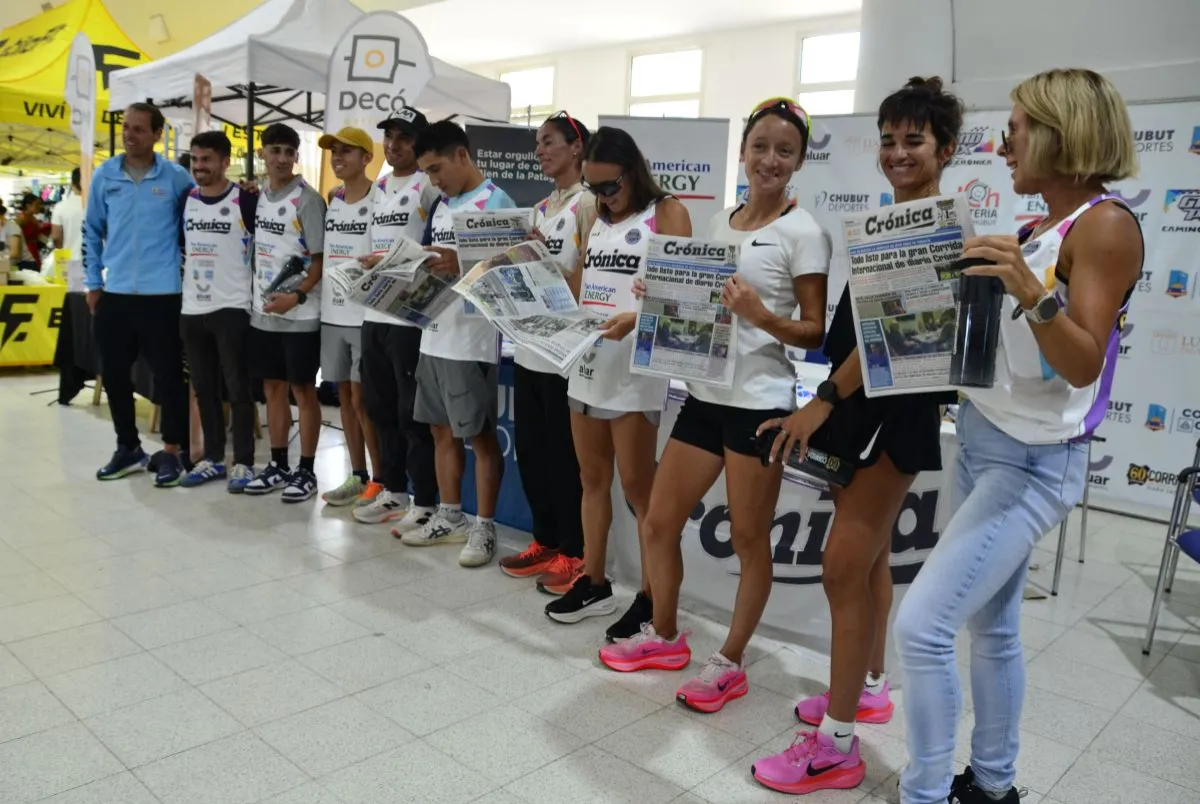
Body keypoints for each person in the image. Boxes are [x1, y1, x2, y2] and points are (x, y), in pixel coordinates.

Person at [889, 68, 1141, 804]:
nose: (1005, 146)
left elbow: (1083, 360)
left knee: (923, 628)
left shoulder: (1105, 225)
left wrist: (1029, 292)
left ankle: (925, 794)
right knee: (993, 631)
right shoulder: (1038, 230)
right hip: (983, 435)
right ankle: (994, 785)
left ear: (1064, 133)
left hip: (1032, 462)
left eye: (1018, 130)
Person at [748, 77, 965, 797]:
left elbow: (892, 338)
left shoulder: (931, 227)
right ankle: (868, 688)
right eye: (890, 140)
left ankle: (837, 747)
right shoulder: (891, 219)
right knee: (866, 563)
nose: (899, 153)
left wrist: (824, 400)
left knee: (843, 569)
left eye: (915, 141)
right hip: (862, 413)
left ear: (946, 149)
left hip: (890, 417)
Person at [598, 99, 830, 712]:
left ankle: (730, 661)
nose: (770, 160)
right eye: (761, 147)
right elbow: (702, 307)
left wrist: (761, 315)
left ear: (800, 160)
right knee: (658, 521)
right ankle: (666, 636)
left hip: (759, 404)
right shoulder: (721, 222)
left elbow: (815, 331)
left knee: (750, 539)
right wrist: (659, 298)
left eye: (785, 150)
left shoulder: (804, 233)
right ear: (744, 151)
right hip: (705, 395)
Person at [544, 127, 691, 641]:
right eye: (595, 188)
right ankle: (594, 581)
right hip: (589, 362)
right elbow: (580, 287)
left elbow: (686, 295)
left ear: (633, 171)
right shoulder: (598, 220)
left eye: (611, 186)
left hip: (635, 370)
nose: (604, 197)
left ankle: (651, 597)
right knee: (591, 479)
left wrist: (638, 317)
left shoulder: (666, 213)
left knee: (639, 489)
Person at [406, 120, 512, 567]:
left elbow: (507, 274)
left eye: (436, 169)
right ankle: (450, 514)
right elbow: (435, 260)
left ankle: (484, 526)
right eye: (427, 172)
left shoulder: (496, 202)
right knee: (439, 430)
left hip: (471, 340)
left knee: (480, 437)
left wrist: (462, 263)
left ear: (462, 156)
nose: (433, 180)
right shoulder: (441, 205)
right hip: (434, 333)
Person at [498, 111, 596, 594]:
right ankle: (546, 540)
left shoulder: (588, 204)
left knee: (563, 458)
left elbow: (589, 282)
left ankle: (576, 551)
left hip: (566, 353)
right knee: (533, 455)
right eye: (537, 143)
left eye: (549, 141)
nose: (539, 150)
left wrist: (546, 267)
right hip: (529, 348)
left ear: (576, 147)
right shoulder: (538, 209)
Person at [83, 102, 195, 486]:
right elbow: (91, 230)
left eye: (139, 129)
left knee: (168, 377)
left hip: (162, 295)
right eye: (126, 127)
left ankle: (172, 451)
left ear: (157, 135)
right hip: (115, 293)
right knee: (114, 375)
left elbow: (200, 217)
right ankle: (128, 447)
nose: (129, 135)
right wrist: (93, 283)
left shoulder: (176, 177)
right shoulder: (105, 175)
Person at [352, 108, 442, 534]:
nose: (393, 145)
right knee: (380, 407)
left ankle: (424, 501)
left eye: (404, 137)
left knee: (411, 414)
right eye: (389, 136)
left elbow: (435, 250)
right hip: (374, 312)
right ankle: (393, 489)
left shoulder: (429, 185)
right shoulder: (382, 186)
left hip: (409, 318)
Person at [241, 122, 327, 503]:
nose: (281, 158)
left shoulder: (308, 200)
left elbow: (319, 263)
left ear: (296, 156)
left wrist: (297, 297)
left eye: (288, 152)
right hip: (264, 314)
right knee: (272, 388)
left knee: (303, 390)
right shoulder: (257, 196)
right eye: (274, 150)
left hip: (301, 316)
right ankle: (278, 464)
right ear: (262, 153)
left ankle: (306, 470)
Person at [177, 131, 259, 492]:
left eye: (207, 160)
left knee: (238, 389)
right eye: (195, 160)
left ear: (225, 162)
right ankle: (212, 457)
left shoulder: (246, 199)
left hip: (233, 307)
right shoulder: (187, 199)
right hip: (193, 308)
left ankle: (243, 462)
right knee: (203, 387)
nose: (199, 167)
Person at [316, 126, 385, 508]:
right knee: (343, 396)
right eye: (334, 152)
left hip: (364, 315)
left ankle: (380, 478)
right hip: (332, 313)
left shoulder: (380, 197)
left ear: (366, 157)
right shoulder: (333, 198)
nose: (338, 158)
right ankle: (357, 474)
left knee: (363, 400)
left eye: (346, 151)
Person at [51, 168, 84, 276]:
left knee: (76, 287)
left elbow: (56, 237)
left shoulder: (60, 207)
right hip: (99, 263)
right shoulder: (102, 206)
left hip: (72, 262)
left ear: (72, 184)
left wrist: (62, 252)